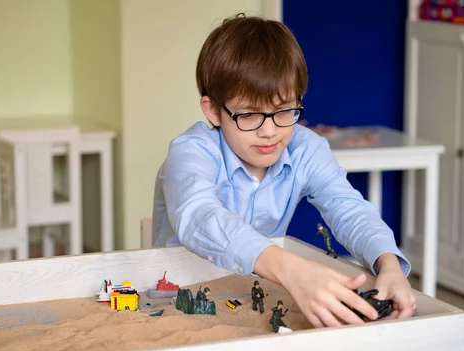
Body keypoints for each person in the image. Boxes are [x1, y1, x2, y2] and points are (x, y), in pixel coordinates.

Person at [151, 13, 416, 330]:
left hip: (251, 302)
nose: (269, 132)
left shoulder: (305, 148)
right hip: (181, 306)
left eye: (284, 111)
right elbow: (198, 216)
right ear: (213, 110)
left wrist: (388, 263)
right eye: (249, 115)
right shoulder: (190, 151)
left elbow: (348, 208)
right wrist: (291, 270)